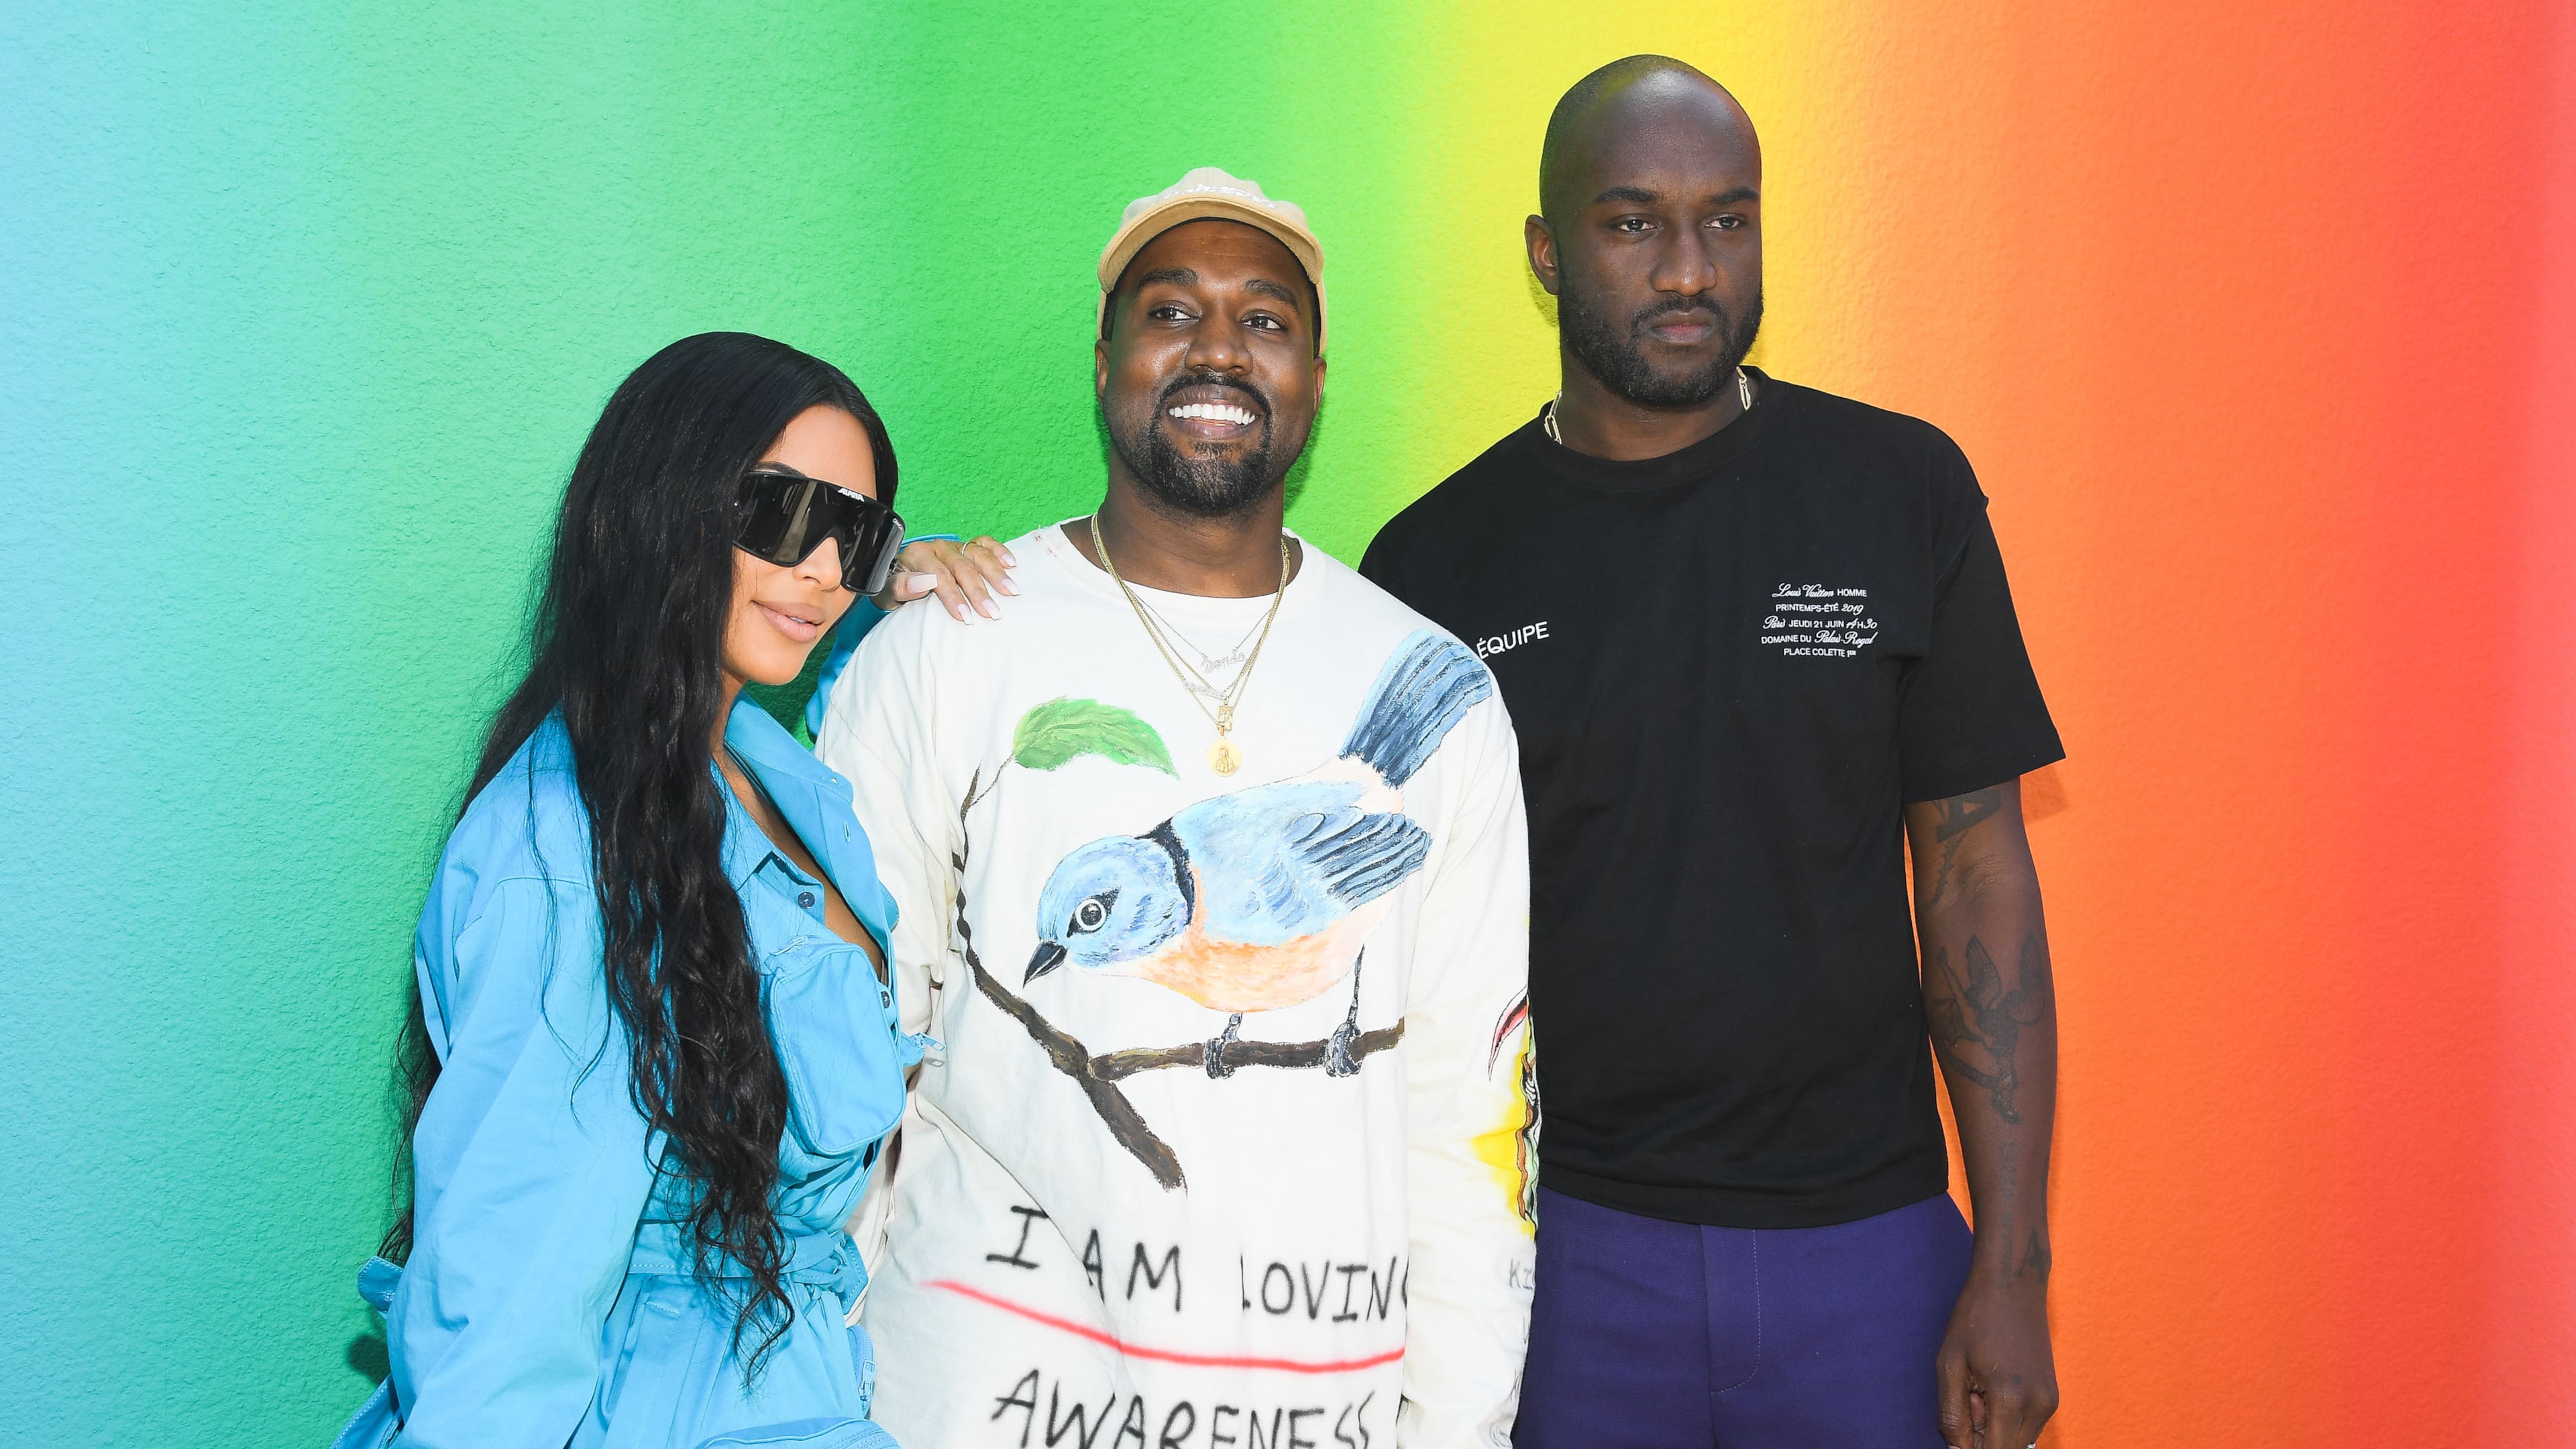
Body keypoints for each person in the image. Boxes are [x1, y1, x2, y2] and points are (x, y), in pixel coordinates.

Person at [1360, 58, 2064, 1449]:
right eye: (1633, 224)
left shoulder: (1897, 490)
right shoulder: (1435, 563)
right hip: (1561, 1251)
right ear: (1547, 253)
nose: (1689, 269)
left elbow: (1976, 870)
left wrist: (2015, 1260)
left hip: (1866, 1244)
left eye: (1727, 220)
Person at [818, 169, 1536, 1449]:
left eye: (1264, 319)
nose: (1217, 347)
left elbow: (1468, 1114)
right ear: (1104, 365)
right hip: (973, 1405)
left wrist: (1460, 1427)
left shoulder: (1446, 694)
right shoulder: (944, 653)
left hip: (1324, 1410)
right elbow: (844, 1072)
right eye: (1170, 311)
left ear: (1317, 377)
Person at [334, 331, 1005, 1448]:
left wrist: (897, 580)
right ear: (664, 504)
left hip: (798, 1388)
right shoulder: (563, 859)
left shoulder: (754, 756)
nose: (827, 572)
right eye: (786, 514)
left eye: (856, 531)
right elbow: (508, 1310)